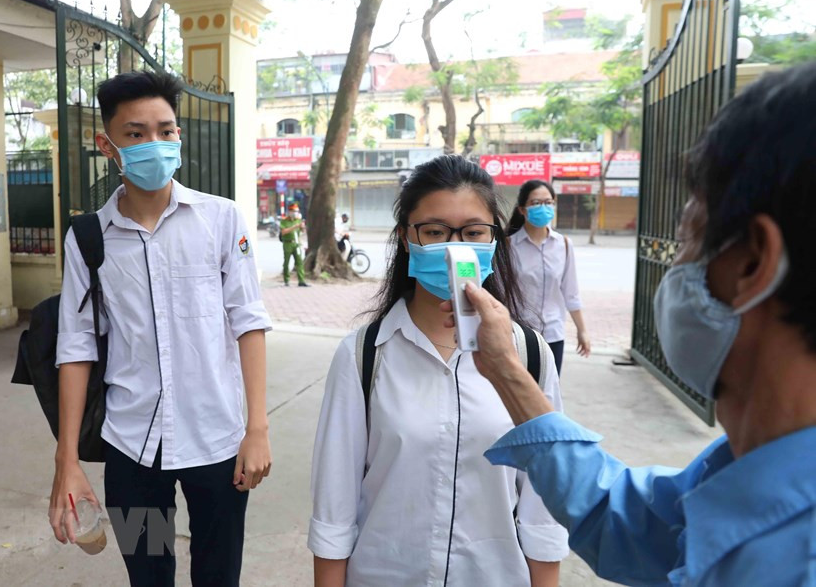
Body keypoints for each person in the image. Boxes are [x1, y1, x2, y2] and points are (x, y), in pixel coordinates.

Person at [448, 63, 816, 586]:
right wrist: (505, 366)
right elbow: (624, 517)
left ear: (753, 263)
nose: (675, 262)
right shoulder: (737, 471)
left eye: (689, 235)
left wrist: (567, 334)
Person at [49, 71, 273, 587]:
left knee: (219, 576)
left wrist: (256, 428)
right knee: (148, 575)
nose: (155, 143)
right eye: (136, 133)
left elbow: (248, 321)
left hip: (218, 444)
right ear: (108, 145)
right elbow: (76, 345)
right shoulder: (88, 237)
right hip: (132, 450)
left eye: (166, 130)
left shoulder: (220, 219)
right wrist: (67, 460)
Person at [309, 155, 569, 587]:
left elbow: (543, 510)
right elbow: (334, 512)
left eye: (472, 232)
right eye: (434, 231)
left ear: (494, 240)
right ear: (406, 239)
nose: (454, 246)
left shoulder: (529, 355)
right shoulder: (363, 355)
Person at [507, 180, 589, 375]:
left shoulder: (564, 245)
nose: (543, 208)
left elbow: (571, 293)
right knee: (517, 396)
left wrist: (582, 330)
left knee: (548, 396)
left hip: (553, 334)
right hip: (519, 334)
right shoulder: (508, 246)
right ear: (522, 209)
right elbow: (502, 295)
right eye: (536, 203)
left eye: (548, 202)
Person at [281, 202, 309, 287]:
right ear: (289, 212)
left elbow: (302, 232)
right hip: (288, 244)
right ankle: (286, 280)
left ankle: (301, 280)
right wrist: (294, 227)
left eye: (296, 211)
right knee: (286, 262)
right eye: (293, 211)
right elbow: (283, 232)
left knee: (299, 262)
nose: (295, 212)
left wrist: (302, 227)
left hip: (296, 244)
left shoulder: (298, 220)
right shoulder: (284, 221)